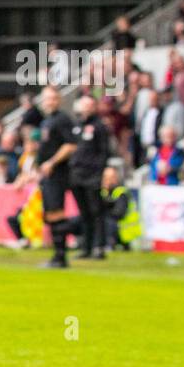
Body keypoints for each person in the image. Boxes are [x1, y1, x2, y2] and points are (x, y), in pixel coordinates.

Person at [35, 85, 79, 268]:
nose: (49, 101)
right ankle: (57, 254)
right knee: (50, 214)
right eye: (47, 98)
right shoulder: (46, 121)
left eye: (53, 98)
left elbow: (70, 145)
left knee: (56, 212)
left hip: (58, 173)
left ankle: (61, 256)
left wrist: (51, 162)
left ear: (59, 100)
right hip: (47, 175)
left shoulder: (62, 120)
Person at [69, 96, 110, 259]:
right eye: (84, 105)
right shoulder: (77, 126)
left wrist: (99, 172)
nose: (87, 108)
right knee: (84, 213)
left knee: (96, 211)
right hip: (77, 175)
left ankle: (99, 246)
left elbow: (104, 151)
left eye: (90, 105)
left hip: (92, 175)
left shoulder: (99, 126)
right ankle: (86, 246)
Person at [100, 166, 140, 251]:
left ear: (115, 178)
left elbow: (119, 213)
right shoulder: (103, 191)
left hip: (125, 230)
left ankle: (110, 245)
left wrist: (106, 206)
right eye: (105, 177)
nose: (106, 180)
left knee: (107, 219)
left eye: (109, 178)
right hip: (115, 227)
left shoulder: (121, 192)